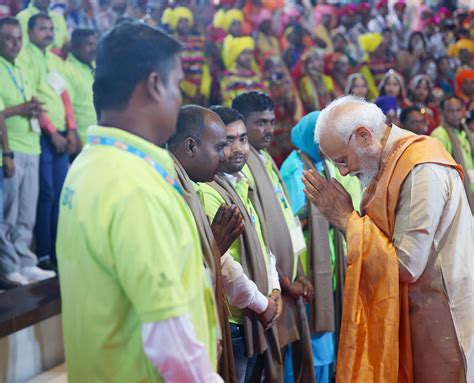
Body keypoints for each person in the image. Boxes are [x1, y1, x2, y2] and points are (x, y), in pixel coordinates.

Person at [57, 21, 223, 382]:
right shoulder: (133, 185)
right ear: (154, 85)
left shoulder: (89, 165)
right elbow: (169, 339)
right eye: (177, 84)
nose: (181, 98)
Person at [302, 96, 473, 383]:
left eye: (343, 160)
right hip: (416, 311)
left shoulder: (421, 167)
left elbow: (406, 265)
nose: (343, 171)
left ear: (364, 135)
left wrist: (347, 221)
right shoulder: (386, 161)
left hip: (441, 316)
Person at [168, 105, 282, 382]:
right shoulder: (182, 191)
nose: (225, 156)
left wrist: (274, 287)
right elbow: (209, 265)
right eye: (221, 145)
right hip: (224, 318)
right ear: (191, 146)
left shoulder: (200, 185)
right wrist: (262, 303)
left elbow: (262, 242)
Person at [232, 92, 315, 383]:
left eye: (271, 122)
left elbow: (287, 219)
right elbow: (257, 235)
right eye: (260, 123)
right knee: (264, 369)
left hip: (287, 280)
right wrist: (284, 281)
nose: (269, 130)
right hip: (273, 287)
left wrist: (299, 273)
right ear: (242, 124)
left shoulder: (265, 157)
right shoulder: (243, 165)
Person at [280, 111, 362, 383]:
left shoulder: (321, 162)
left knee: (327, 337)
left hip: (329, 258)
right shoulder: (295, 168)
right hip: (308, 265)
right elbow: (290, 221)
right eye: (319, 139)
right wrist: (315, 216)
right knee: (313, 340)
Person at [18, 14, 78, 269]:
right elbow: (32, 98)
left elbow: (65, 97)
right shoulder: (24, 57)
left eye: (51, 28)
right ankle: (42, 253)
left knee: (61, 193)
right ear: (30, 32)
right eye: (42, 29)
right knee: (46, 193)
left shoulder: (55, 59)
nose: (48, 32)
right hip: (43, 135)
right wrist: (52, 131)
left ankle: (57, 249)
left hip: (63, 133)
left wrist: (72, 129)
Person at [0, 17, 55, 285]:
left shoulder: (20, 67)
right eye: (9, 38)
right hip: (11, 149)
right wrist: (6, 153)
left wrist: (32, 107)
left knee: (26, 212)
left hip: (32, 144)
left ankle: (25, 261)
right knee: (7, 214)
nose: (15, 43)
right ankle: (8, 267)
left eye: (18, 37)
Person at [432, 96, 473, 212]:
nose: (455, 114)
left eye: (458, 110)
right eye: (450, 111)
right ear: (443, 112)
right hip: (457, 190)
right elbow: (439, 168)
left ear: (463, 111)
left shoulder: (467, 131)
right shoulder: (439, 134)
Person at [262, 55, 303, 165]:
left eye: (278, 66)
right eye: (271, 68)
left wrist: (286, 90)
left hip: (287, 131)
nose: (275, 70)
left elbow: (294, 107)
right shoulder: (262, 86)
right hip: (273, 132)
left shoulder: (287, 84)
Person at [167, 7, 212, 106]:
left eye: (186, 20)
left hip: (199, 93)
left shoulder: (199, 41)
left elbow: (204, 66)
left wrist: (203, 90)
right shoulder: (170, 43)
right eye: (180, 21)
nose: (184, 24)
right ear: (175, 22)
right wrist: (190, 92)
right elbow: (172, 70)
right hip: (180, 93)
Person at [64, 28, 96, 145]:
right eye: (88, 44)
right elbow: (67, 107)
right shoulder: (67, 70)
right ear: (74, 46)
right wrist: (74, 135)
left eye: (94, 44)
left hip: (98, 136)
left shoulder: (94, 65)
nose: (93, 49)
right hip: (81, 138)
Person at [220, 36, 267, 107]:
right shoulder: (229, 78)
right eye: (244, 53)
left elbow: (264, 100)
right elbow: (229, 103)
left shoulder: (257, 76)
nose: (248, 56)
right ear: (236, 56)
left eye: (250, 53)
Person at [299, 48, 334, 113]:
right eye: (317, 59)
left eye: (322, 60)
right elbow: (306, 103)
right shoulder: (304, 81)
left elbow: (332, 97)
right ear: (309, 62)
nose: (321, 63)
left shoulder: (328, 79)